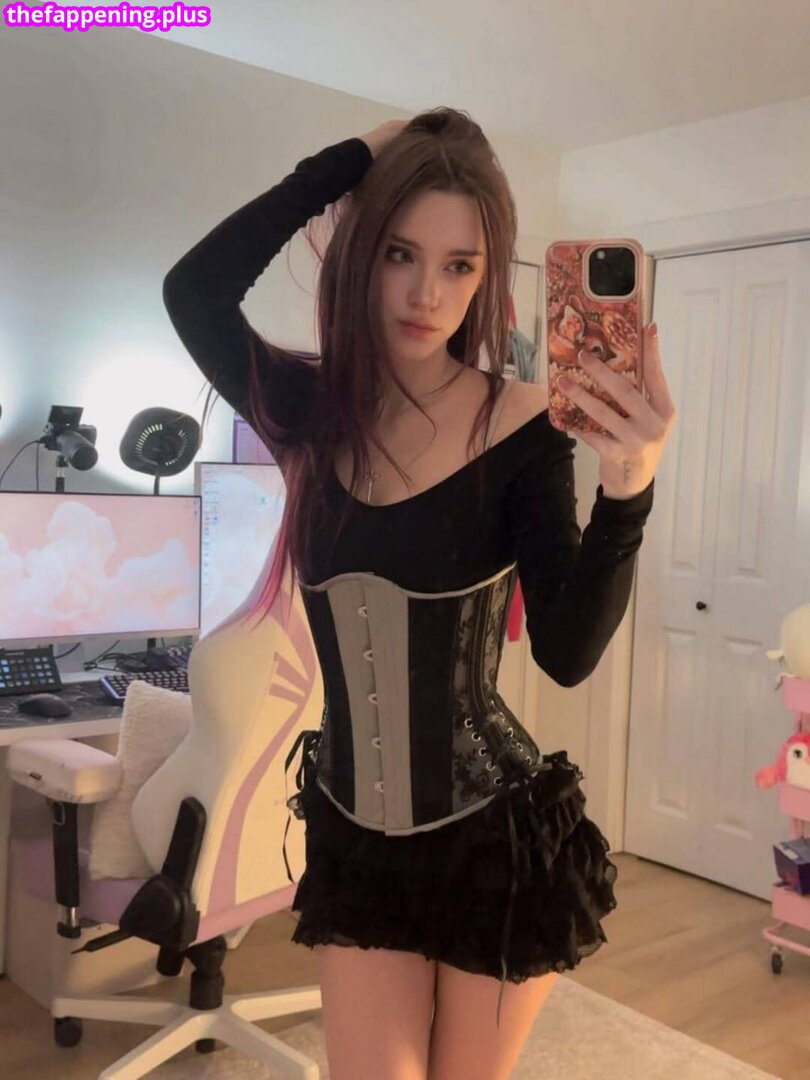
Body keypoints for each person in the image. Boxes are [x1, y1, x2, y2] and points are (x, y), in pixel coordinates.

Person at [162, 107, 675, 1080]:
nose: (426, 292)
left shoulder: (523, 427)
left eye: (459, 265)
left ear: (488, 278)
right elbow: (194, 291)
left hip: (494, 835)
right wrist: (353, 161)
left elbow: (566, 654)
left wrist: (628, 489)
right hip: (355, 836)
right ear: (361, 252)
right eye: (400, 252)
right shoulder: (311, 412)